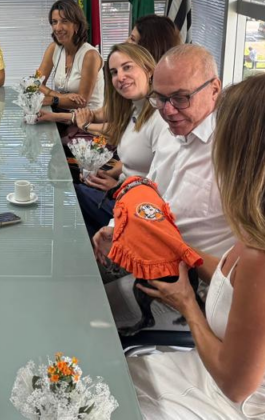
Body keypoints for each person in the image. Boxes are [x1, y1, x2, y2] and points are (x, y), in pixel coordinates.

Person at [126, 73, 265, 419]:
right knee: (112, 379)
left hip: (253, 407)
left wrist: (186, 304)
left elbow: (236, 385)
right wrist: (174, 248)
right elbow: (235, 283)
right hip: (221, 384)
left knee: (107, 400)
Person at [93, 44, 235, 332]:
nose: (168, 110)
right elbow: (147, 196)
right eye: (160, 98)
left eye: (181, 98)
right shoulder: (172, 136)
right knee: (76, 279)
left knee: (90, 317)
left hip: (192, 295)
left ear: (214, 89)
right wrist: (116, 227)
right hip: (149, 266)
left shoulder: (232, 153)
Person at [68, 43, 167, 235]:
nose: (120, 77)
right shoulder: (133, 109)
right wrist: (108, 174)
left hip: (134, 208)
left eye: (127, 67)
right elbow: (134, 164)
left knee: (70, 195)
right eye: (114, 72)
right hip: (121, 192)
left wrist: (117, 187)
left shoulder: (161, 119)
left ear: (148, 69)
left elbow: (160, 186)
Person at [36, 13, 180, 128]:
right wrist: (55, 116)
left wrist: (85, 125)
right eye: (54, 22)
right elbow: (108, 115)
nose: (125, 42)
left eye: (132, 39)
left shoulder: (162, 105)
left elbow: (118, 130)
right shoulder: (132, 84)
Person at [35, 0, 104, 111]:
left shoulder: (90, 55)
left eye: (64, 21)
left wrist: (52, 100)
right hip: (62, 113)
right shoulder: (53, 48)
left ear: (76, 25)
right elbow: (36, 83)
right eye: (54, 22)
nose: (58, 28)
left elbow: (81, 102)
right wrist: (59, 96)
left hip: (88, 117)